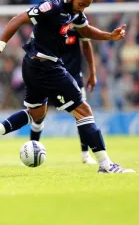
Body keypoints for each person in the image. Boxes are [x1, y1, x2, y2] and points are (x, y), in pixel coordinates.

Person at [0, 0, 135, 173]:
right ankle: (105, 165)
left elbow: (84, 30)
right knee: (83, 110)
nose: (82, 9)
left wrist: (109, 36)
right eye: (82, 4)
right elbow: (17, 19)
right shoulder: (51, 7)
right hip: (46, 65)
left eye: (86, 6)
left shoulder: (73, 8)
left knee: (36, 114)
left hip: (35, 64)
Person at [30, 24, 97, 164]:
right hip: (50, 74)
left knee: (82, 112)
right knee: (39, 112)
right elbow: (32, 48)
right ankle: (32, 148)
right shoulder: (46, 21)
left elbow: (86, 45)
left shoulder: (77, 20)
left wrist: (92, 72)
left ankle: (85, 154)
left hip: (73, 76)